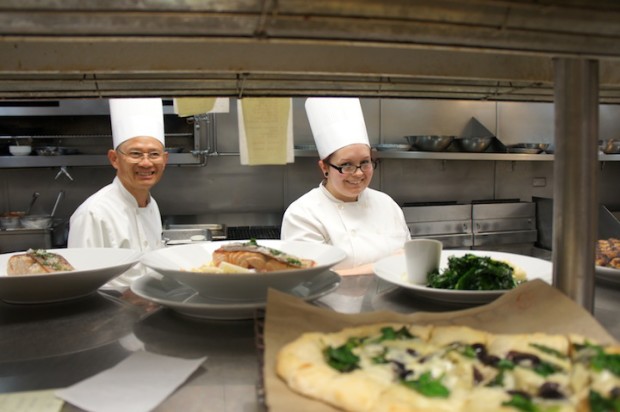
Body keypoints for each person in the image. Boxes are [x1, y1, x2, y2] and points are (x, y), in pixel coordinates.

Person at [281, 97, 411, 275]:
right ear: (324, 167)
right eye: (346, 165)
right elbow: (309, 277)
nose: (358, 173)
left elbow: (409, 261)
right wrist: (384, 266)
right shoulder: (303, 214)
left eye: (365, 162)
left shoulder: (387, 204)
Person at [68, 98, 168, 291]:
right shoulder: (93, 213)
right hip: (110, 315)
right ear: (114, 159)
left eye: (154, 154)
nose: (146, 163)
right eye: (136, 154)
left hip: (152, 307)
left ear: (165, 160)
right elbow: (79, 284)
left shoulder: (151, 204)